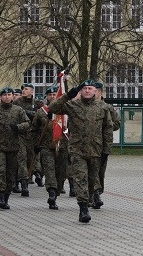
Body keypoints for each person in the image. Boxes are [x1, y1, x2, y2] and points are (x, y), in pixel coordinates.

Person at [48, 79, 112, 222]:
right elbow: (52, 108)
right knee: (80, 179)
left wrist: (106, 149)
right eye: (84, 89)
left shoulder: (103, 107)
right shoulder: (72, 105)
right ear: (80, 91)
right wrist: (67, 96)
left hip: (96, 150)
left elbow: (108, 129)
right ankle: (83, 209)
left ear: (95, 91)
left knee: (91, 180)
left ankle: (88, 199)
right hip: (77, 150)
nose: (87, 91)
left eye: (90, 88)